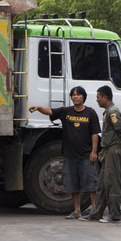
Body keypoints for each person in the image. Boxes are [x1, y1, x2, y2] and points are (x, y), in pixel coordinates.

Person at [30, 86, 100, 220]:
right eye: (73, 95)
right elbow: (50, 111)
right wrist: (39, 108)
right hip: (70, 155)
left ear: (83, 97)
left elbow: (94, 134)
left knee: (91, 183)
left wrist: (94, 151)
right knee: (73, 184)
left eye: (78, 95)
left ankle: (95, 210)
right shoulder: (66, 112)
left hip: (86, 155)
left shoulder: (90, 113)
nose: (75, 97)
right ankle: (77, 211)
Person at [89, 85, 121, 223]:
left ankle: (114, 215)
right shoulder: (108, 111)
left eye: (98, 97)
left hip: (113, 151)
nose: (97, 100)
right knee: (102, 184)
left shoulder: (113, 112)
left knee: (112, 184)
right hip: (108, 151)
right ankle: (96, 213)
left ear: (105, 97)